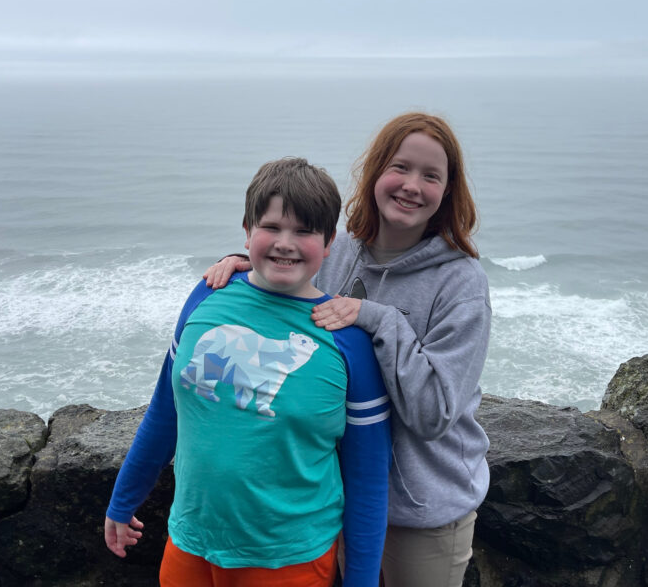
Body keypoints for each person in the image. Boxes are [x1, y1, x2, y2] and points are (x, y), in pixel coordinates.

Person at [206, 113, 491, 587]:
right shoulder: (338, 251)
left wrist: (377, 317)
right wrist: (246, 267)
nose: (412, 186)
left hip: (419, 510)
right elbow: (287, 301)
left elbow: (435, 412)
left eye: (431, 175)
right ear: (377, 171)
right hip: (338, 494)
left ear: (448, 190)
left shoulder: (461, 282)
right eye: (400, 167)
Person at [106, 157, 392, 587]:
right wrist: (121, 502)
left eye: (304, 231)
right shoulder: (207, 295)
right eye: (272, 227)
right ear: (247, 229)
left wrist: (363, 581)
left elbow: (368, 477)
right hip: (189, 542)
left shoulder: (348, 341)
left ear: (330, 241)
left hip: (289, 560)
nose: (285, 243)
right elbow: (166, 413)